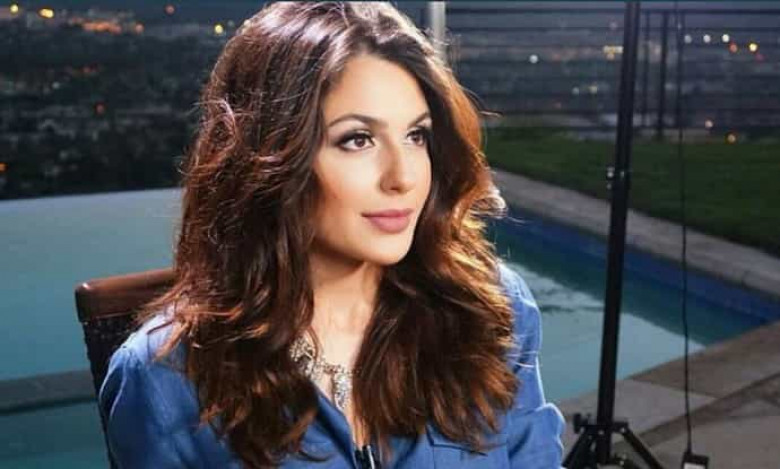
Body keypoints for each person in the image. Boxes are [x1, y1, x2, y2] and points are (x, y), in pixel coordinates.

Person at [98, 2, 565, 468]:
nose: (403, 177)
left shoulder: (489, 311)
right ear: (272, 157)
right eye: (357, 139)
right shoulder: (163, 381)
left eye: (416, 136)